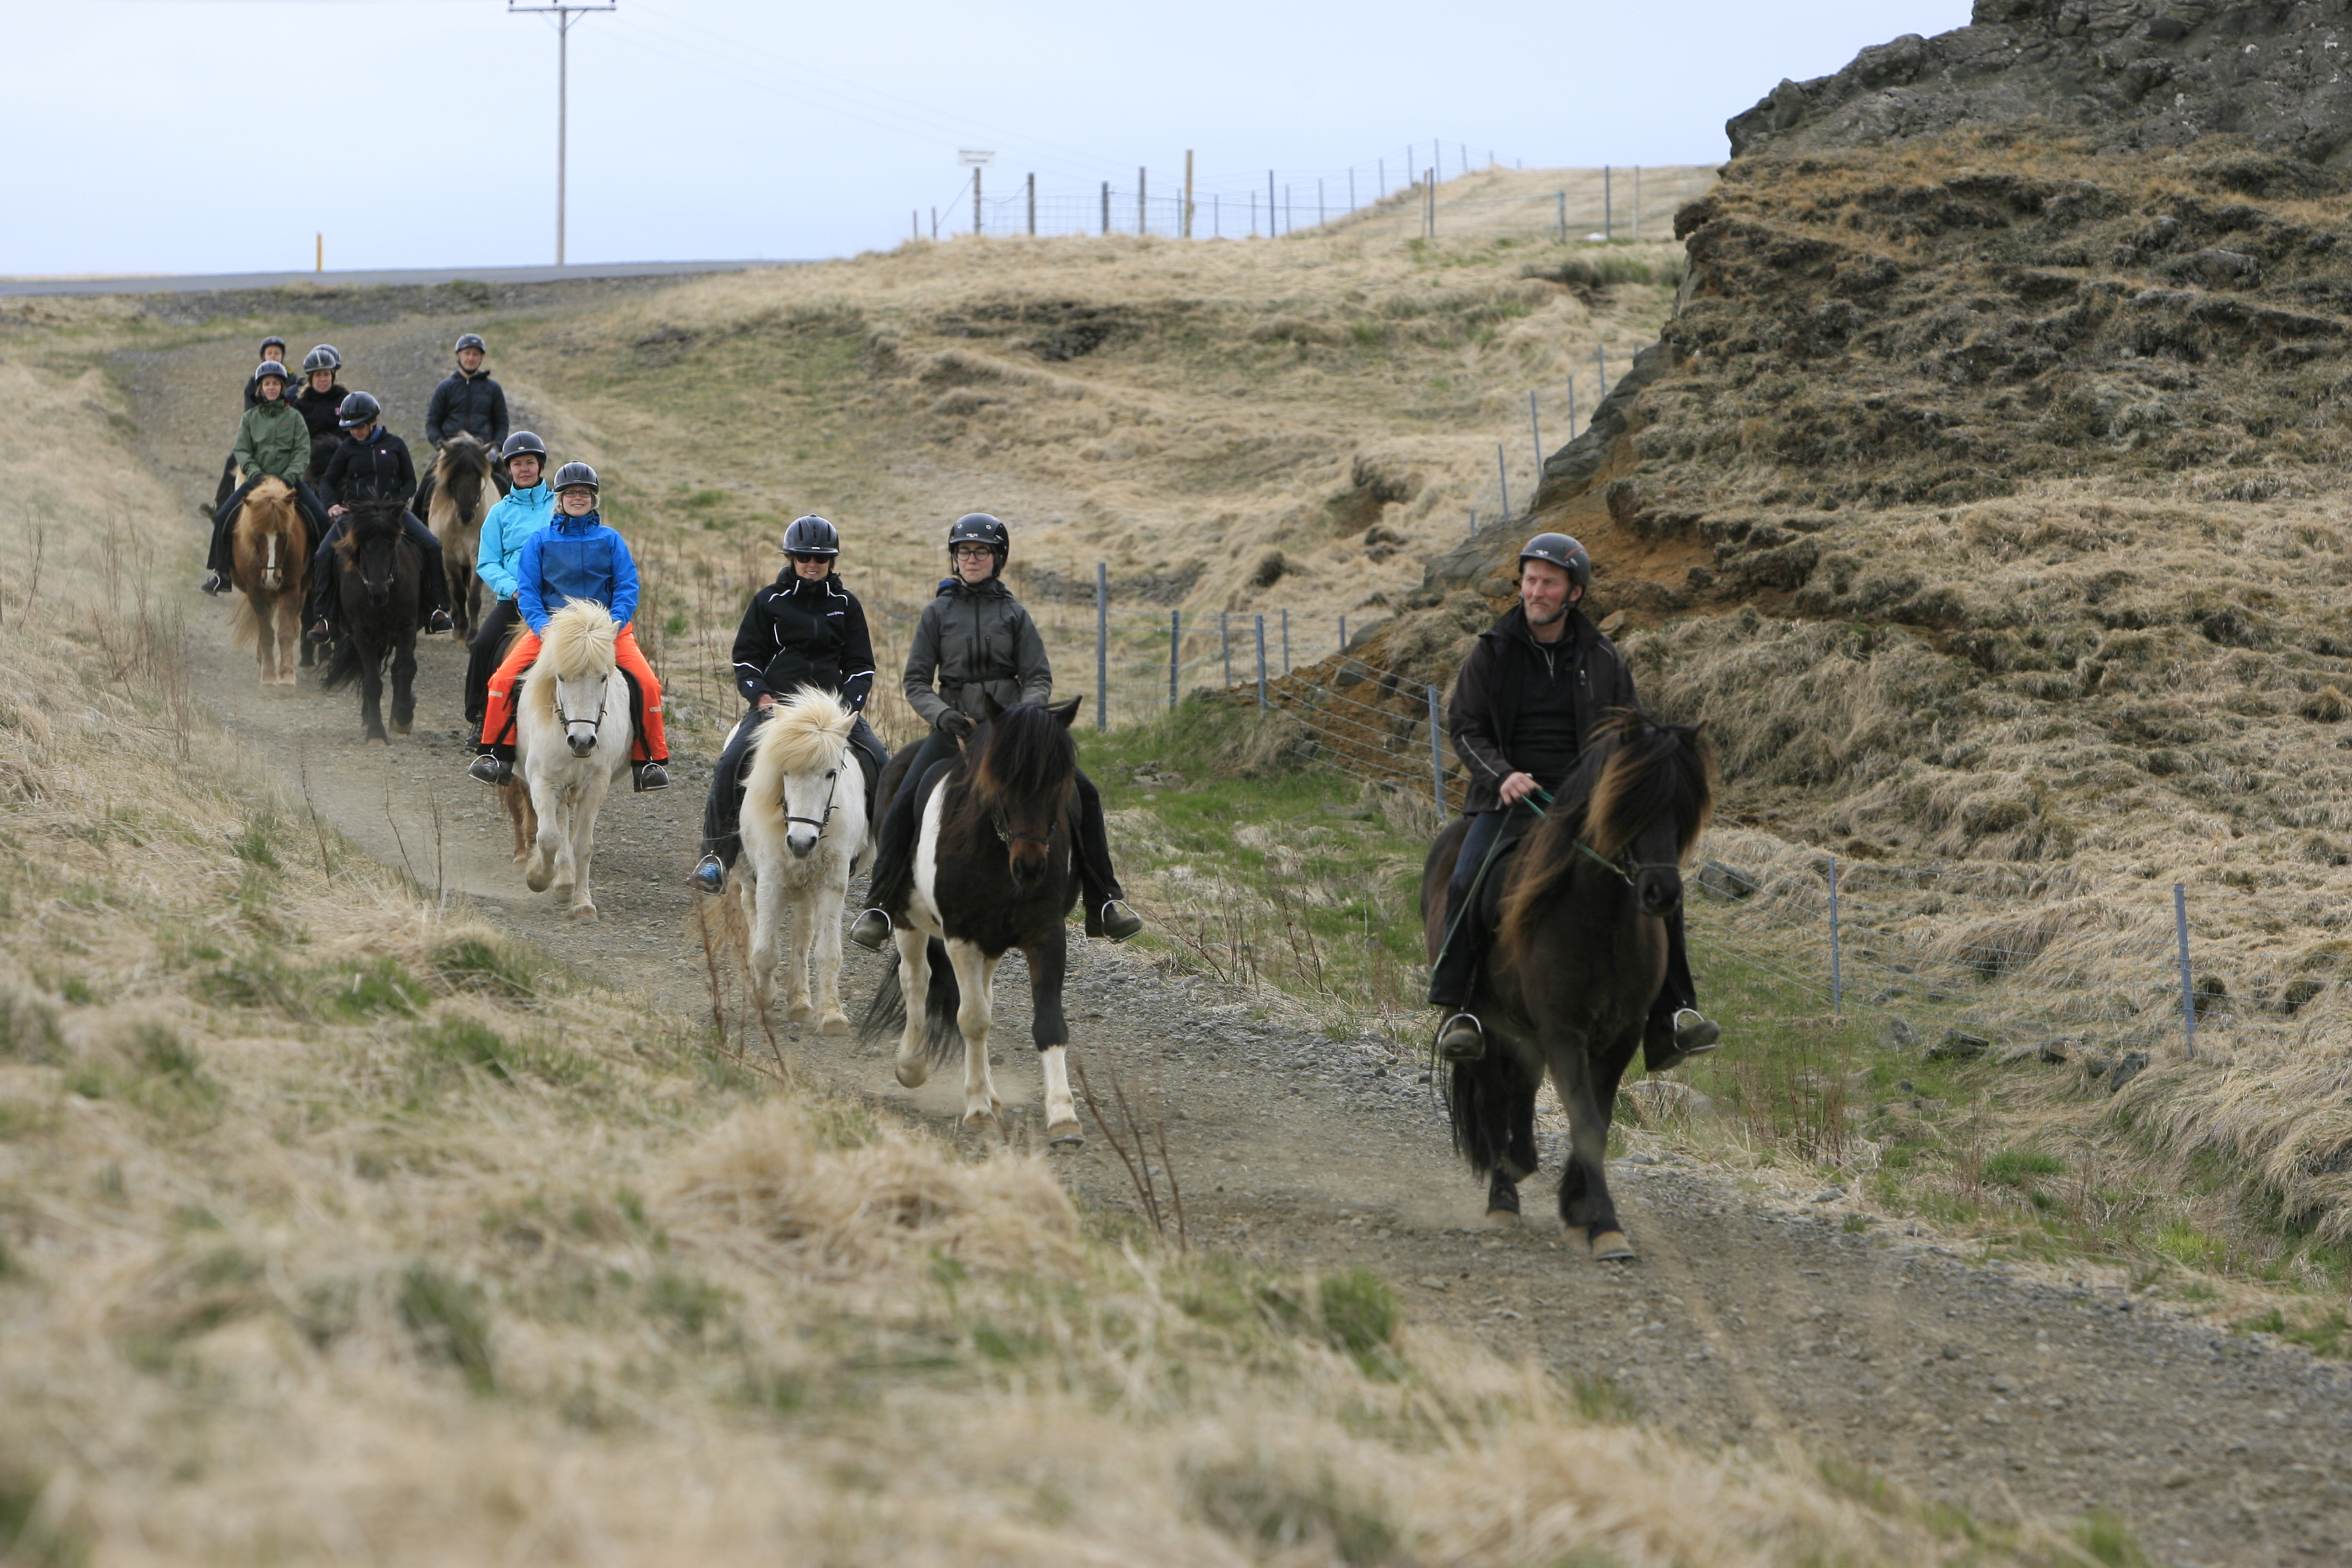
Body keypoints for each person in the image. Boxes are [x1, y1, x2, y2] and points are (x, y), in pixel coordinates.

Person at [1429, 532, 1720, 1069]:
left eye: (1548, 583)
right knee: (1468, 876)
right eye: (1530, 580)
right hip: (1510, 802)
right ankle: (1460, 1008)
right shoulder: (1491, 651)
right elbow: (1465, 726)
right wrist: (1502, 776)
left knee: (1659, 885)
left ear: (1574, 594)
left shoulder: (1604, 657)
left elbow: (1630, 736)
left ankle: (1674, 1014)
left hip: (1587, 808)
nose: (1535, 591)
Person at [848, 512, 1141, 951]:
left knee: (1085, 793)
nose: (971, 559)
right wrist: (944, 715)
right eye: (964, 551)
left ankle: (1105, 901)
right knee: (907, 792)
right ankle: (880, 904)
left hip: (1010, 741)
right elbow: (915, 682)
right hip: (955, 734)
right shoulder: (937, 614)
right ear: (954, 558)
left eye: (981, 552)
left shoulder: (1016, 614)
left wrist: (1023, 718)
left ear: (997, 559)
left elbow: (1039, 677)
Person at [689, 515, 891, 893]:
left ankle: (884, 867)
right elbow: (746, 657)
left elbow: (862, 665)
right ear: (791, 558)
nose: (812, 565)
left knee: (882, 763)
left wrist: (849, 708)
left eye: (821, 559)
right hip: (777, 709)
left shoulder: (847, 605)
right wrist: (761, 697)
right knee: (731, 762)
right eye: (803, 558)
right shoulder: (769, 601)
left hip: (833, 713)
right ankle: (715, 857)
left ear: (832, 561)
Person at [467, 462, 669, 792]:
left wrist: (614, 624)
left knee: (647, 684)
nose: (578, 498)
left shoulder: (610, 539)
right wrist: (543, 628)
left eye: (585, 493)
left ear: (593, 500)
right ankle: (494, 754)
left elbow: (628, 586)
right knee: (502, 680)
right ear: (559, 500)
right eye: (571, 493)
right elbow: (528, 590)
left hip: (607, 630)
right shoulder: (540, 540)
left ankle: (649, 760)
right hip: (554, 631)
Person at [303, 391, 455, 638]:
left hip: (392, 513)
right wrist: (332, 504)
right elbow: (328, 482)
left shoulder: (395, 445)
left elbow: (409, 481)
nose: (356, 432)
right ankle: (325, 619)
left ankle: (436, 610)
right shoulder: (346, 450)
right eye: (351, 427)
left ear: (373, 421)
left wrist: (400, 501)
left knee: (432, 545)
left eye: (360, 426)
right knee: (323, 555)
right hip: (356, 515)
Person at [199, 359, 329, 595]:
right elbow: (242, 450)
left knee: (321, 518)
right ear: (260, 388)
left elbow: (302, 450)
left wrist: (290, 476)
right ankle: (222, 574)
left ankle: (321, 574)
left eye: (276, 383)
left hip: (289, 482)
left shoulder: (295, 418)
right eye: (267, 383)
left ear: (282, 387)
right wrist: (255, 473)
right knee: (223, 517)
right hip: (256, 482)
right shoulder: (250, 418)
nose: (271, 387)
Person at [466, 432, 554, 725]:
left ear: (540, 466)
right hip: (516, 600)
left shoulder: (560, 506)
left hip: (556, 599)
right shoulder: (499, 513)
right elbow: (487, 563)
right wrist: (513, 589)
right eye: (517, 464)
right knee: (482, 645)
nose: (524, 469)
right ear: (509, 469)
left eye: (530, 462)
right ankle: (479, 715)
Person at [425, 332, 511, 460]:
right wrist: (442, 447)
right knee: (428, 479)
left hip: (483, 453)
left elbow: (502, 424)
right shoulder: (444, 388)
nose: (471, 358)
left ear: (481, 358)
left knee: (506, 479)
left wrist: (495, 449)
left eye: (475, 354)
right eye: (467, 353)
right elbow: (432, 423)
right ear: (458, 355)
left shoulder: (493, 389)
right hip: (451, 453)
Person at [291, 346, 348, 450]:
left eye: (326, 374)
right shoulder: (300, 406)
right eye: (318, 375)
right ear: (311, 379)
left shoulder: (345, 401)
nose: (323, 379)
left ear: (333, 377)